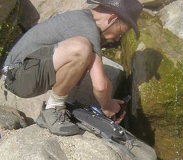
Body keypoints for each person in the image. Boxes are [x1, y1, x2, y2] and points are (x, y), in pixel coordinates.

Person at [2, 0, 143, 136]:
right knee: (82, 48)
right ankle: (53, 110)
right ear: (112, 18)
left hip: (23, 72)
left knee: (86, 54)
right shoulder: (86, 27)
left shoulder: (83, 21)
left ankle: (65, 105)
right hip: (18, 75)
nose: (118, 39)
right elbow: (100, 86)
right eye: (120, 32)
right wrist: (107, 107)